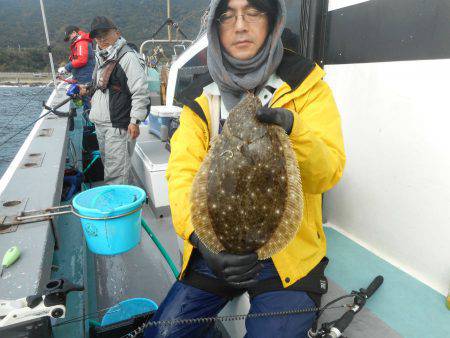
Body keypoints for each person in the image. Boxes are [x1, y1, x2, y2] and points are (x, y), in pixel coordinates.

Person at [145, 0, 345, 336]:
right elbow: (182, 175)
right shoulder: (199, 100)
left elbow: (328, 172)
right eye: (228, 15)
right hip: (216, 250)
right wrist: (203, 242)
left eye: (253, 12)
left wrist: (295, 129)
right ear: (216, 28)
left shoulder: (307, 86)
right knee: (165, 333)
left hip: (288, 255)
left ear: (272, 22)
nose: (240, 25)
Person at [80, 17, 150, 185]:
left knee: (116, 174)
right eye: (97, 36)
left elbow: (140, 91)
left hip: (118, 124)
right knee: (112, 167)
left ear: (117, 33)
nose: (102, 39)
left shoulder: (127, 57)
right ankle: (129, 199)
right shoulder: (100, 56)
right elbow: (100, 84)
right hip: (101, 122)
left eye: (105, 34)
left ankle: (119, 209)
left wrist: (134, 121)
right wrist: (87, 89)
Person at [59, 25, 95, 112]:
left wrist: (66, 68)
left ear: (74, 33)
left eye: (69, 36)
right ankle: (88, 119)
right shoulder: (80, 43)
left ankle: (91, 123)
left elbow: (82, 60)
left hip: (85, 78)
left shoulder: (81, 43)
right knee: (84, 101)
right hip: (81, 77)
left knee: (88, 102)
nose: (69, 40)